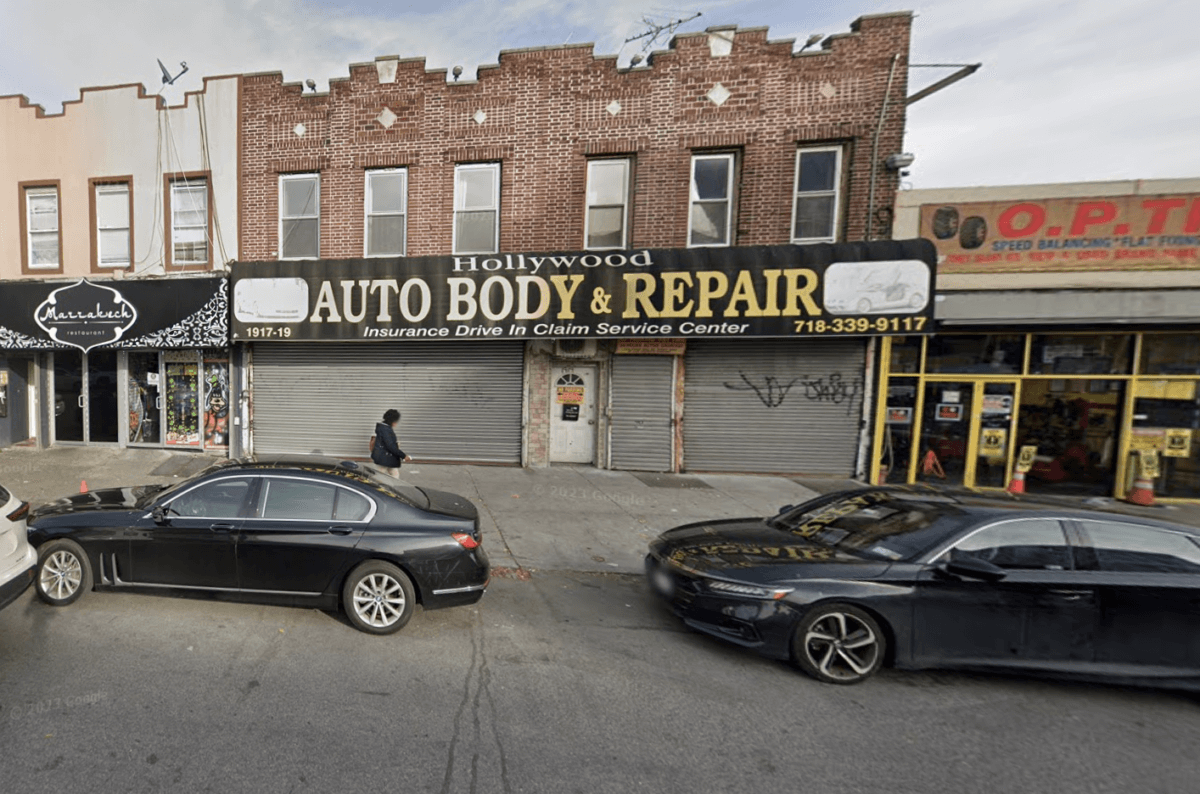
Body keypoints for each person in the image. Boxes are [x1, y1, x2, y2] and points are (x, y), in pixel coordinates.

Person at [372, 408, 411, 477]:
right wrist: (403, 456)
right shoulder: (386, 430)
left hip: (386, 457)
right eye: (396, 421)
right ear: (392, 421)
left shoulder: (384, 428)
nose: (396, 423)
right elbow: (391, 446)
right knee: (381, 476)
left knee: (393, 475)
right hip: (385, 458)